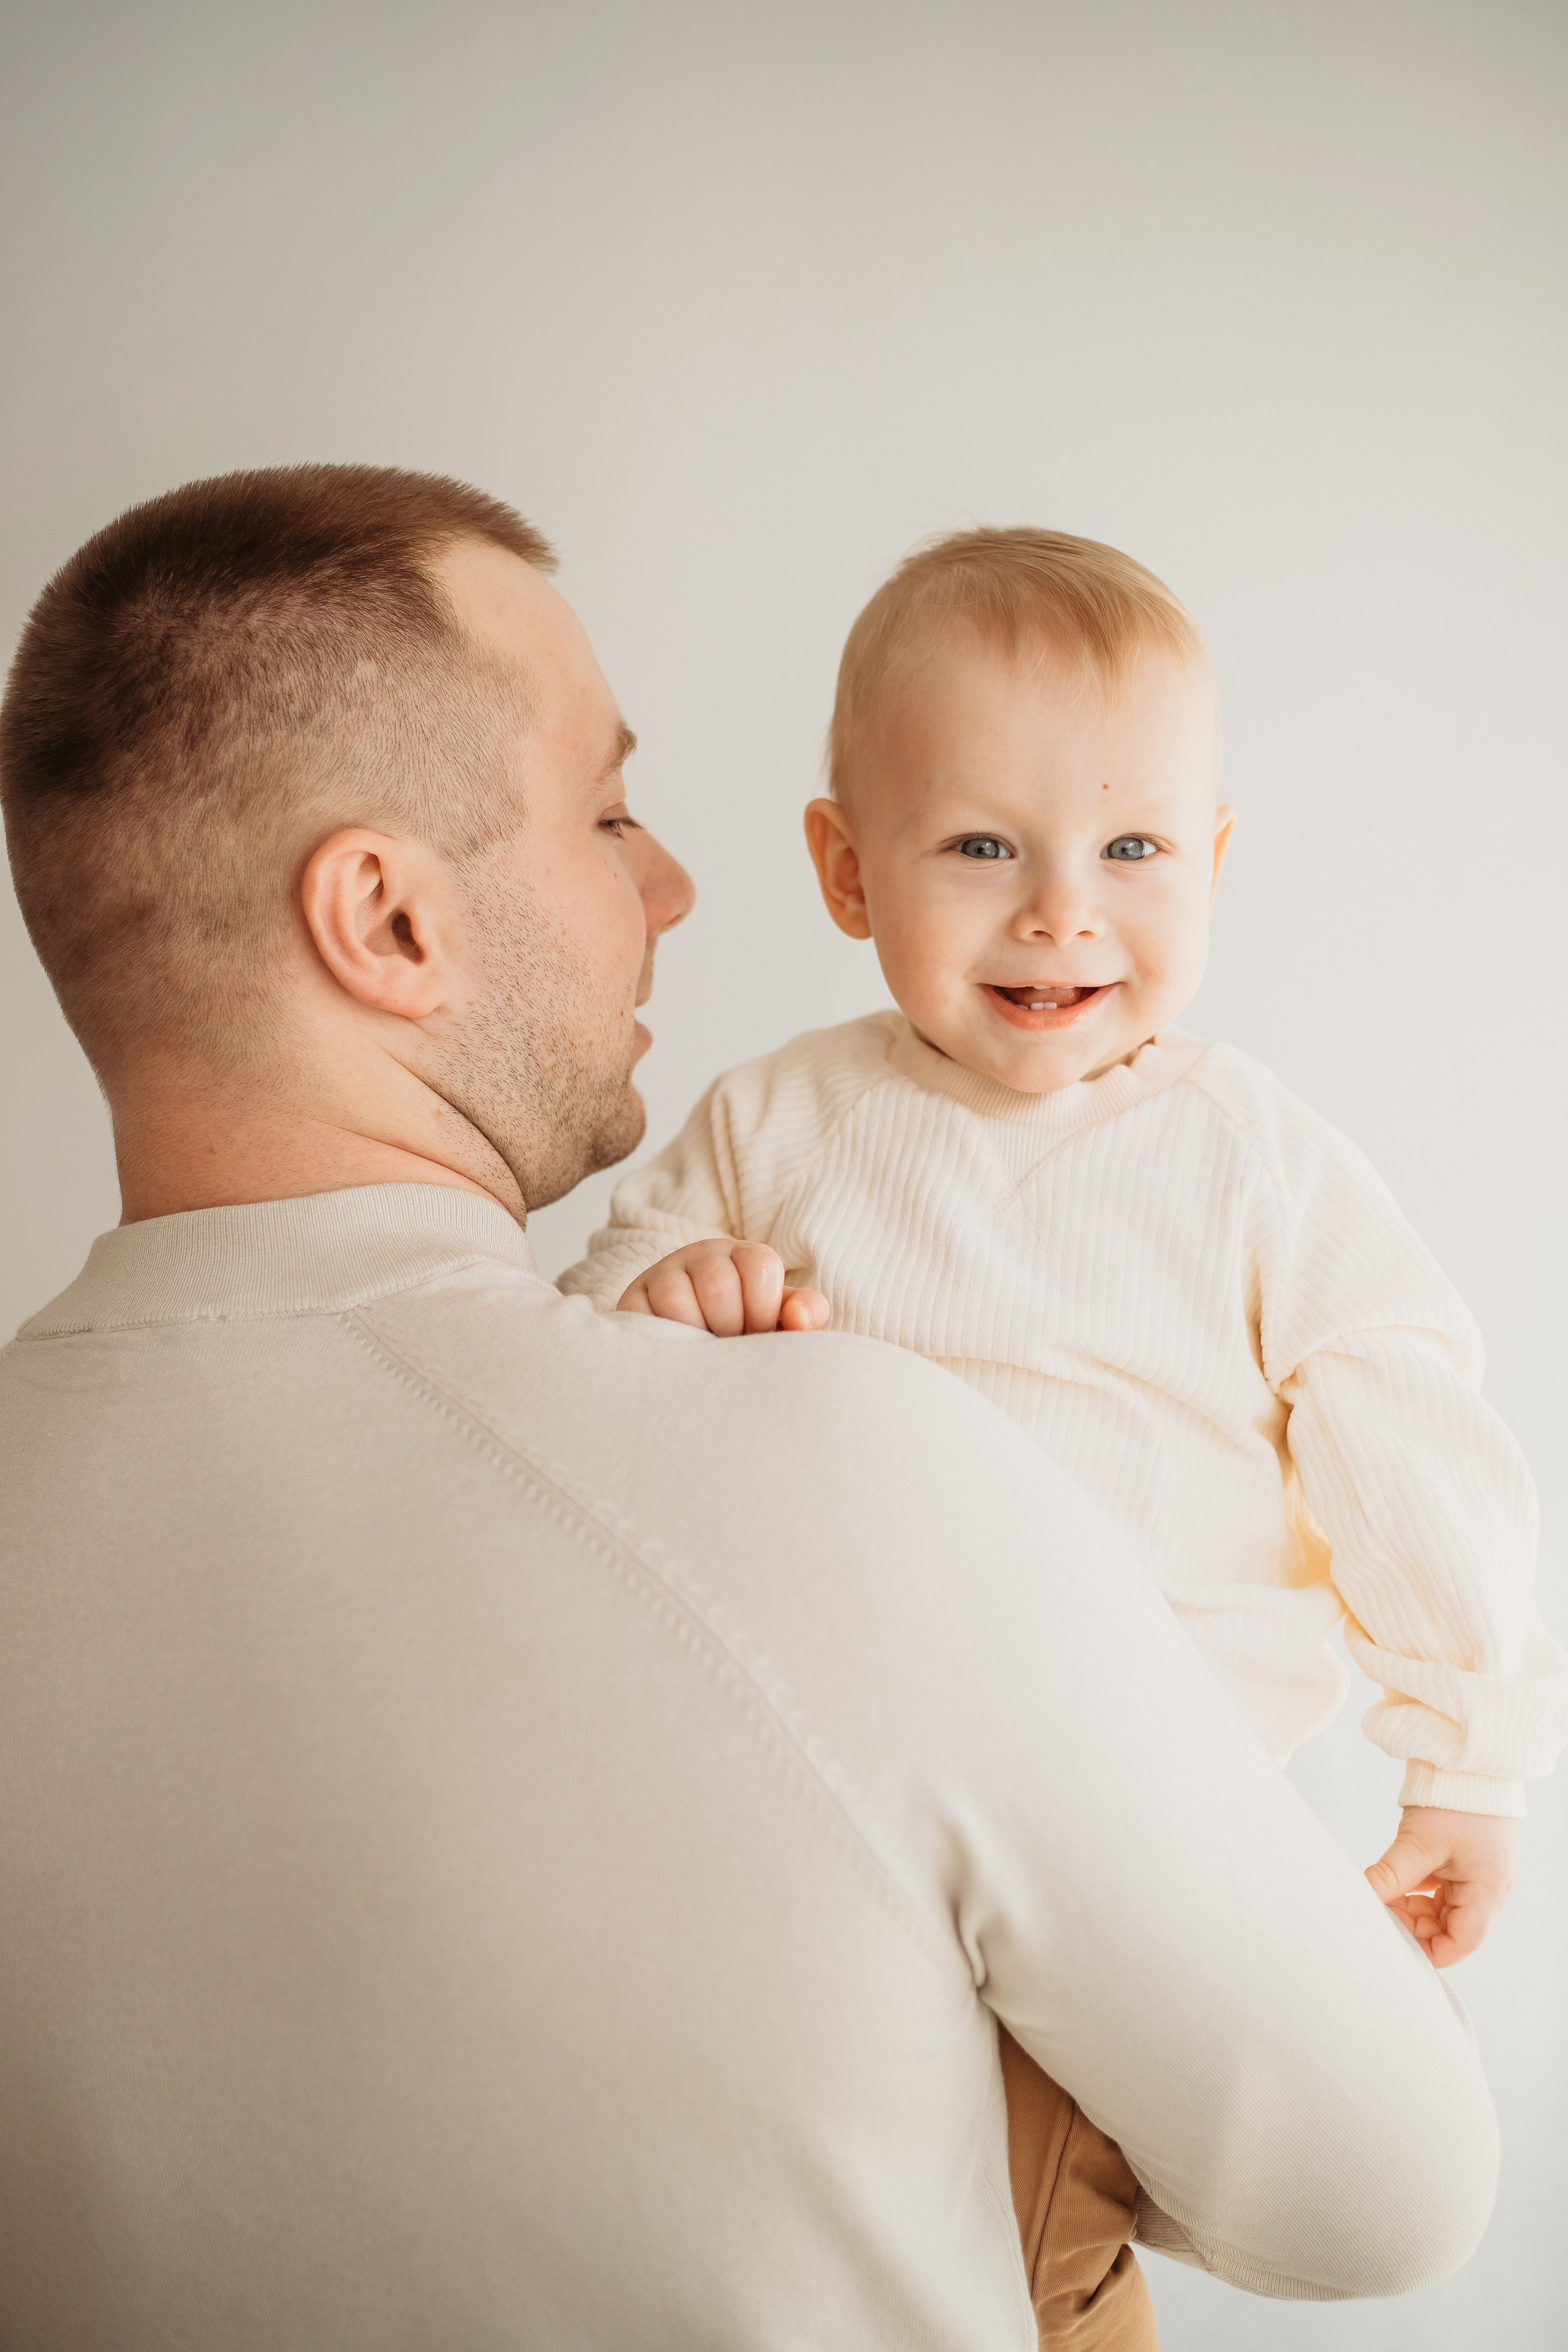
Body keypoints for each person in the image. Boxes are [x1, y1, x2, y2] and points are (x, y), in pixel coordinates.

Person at [0, 470, 1501, 2351]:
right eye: (608, 810)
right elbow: (1388, 2186)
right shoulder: (846, 1451)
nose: (673, 882)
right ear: (384, 919)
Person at [561, 526, 1568, 2344]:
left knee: (1045, 2242)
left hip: (1148, 1823)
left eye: (1131, 851)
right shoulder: (773, 1123)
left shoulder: (1243, 1152)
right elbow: (577, 1376)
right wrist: (672, 1294)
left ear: (1215, 867)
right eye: (979, 848)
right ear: (844, 870)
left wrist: (1469, 1762)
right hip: (824, 1830)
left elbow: (1402, 1418)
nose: (1061, 914)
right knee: (854, 2229)